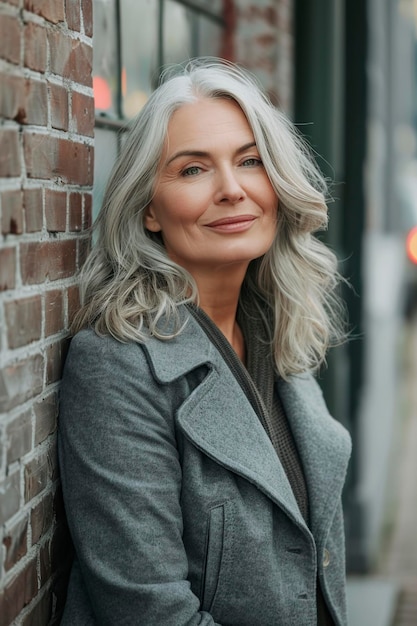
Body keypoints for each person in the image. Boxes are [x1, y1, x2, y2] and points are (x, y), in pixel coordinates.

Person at [58, 58, 351, 625]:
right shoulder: (118, 364)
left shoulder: (273, 332)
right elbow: (151, 611)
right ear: (148, 210)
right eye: (193, 170)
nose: (232, 189)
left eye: (250, 161)